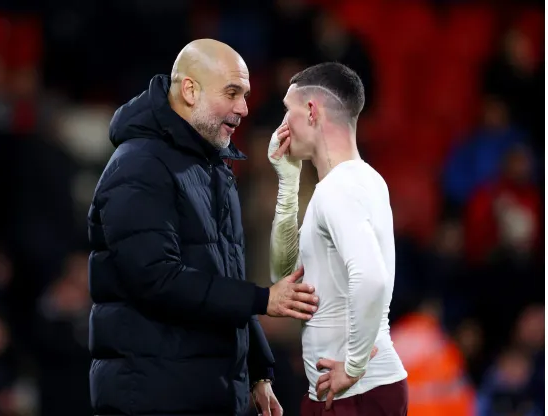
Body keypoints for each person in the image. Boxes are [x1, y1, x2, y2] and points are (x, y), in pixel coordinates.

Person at [87, 39, 320, 416]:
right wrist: (263, 300)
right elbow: (157, 279)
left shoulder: (212, 169)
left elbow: (221, 277)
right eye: (232, 93)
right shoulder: (138, 167)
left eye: (245, 95)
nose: (243, 108)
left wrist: (257, 371)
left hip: (202, 391)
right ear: (190, 90)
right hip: (153, 396)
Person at [267, 62, 409, 415]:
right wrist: (287, 183)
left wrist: (355, 365)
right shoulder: (358, 181)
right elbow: (284, 280)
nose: (283, 125)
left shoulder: (340, 188)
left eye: (289, 110)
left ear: (312, 112)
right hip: (348, 393)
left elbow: (371, 279)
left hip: (355, 393)